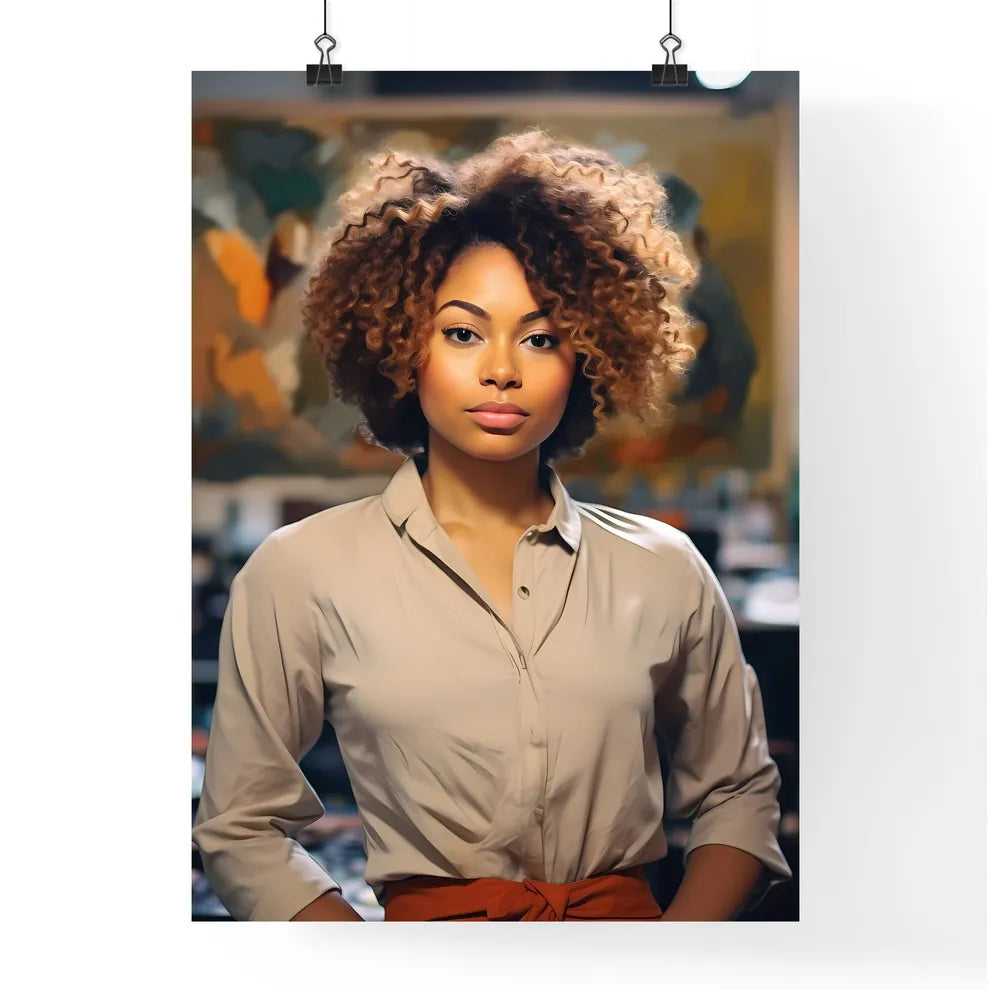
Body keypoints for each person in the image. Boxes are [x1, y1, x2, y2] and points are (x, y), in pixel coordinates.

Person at [192, 129, 793, 922]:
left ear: (587, 356)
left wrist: (669, 961)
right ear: (402, 346)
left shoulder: (666, 568)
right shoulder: (300, 570)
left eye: (540, 337)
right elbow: (239, 826)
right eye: (463, 333)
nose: (503, 369)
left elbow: (738, 796)